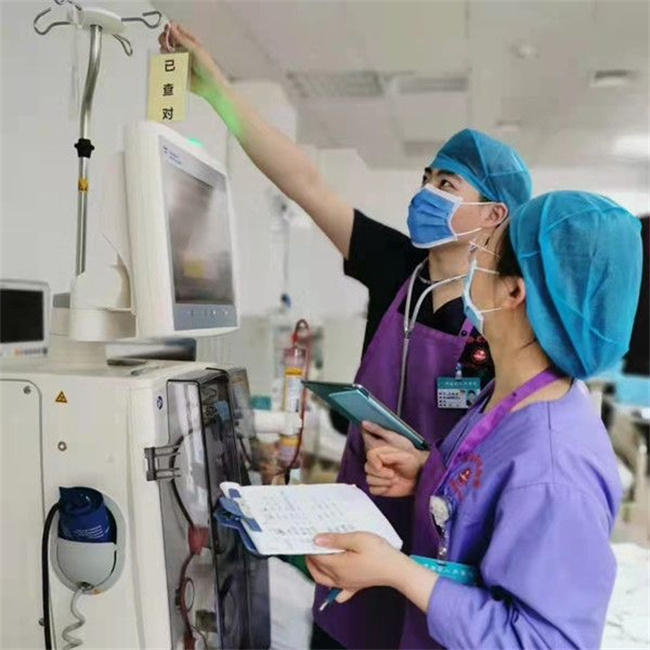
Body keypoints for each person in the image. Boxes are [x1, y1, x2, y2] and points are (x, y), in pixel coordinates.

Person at [159, 23, 531, 648]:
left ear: (493, 214)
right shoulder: (395, 267)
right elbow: (304, 182)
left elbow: (512, 449)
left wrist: (428, 469)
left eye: (446, 185)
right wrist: (216, 89)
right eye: (427, 177)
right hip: (353, 523)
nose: (426, 193)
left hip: (441, 543)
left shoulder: (506, 311)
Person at [306, 191, 643, 649]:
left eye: (483, 248)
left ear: (514, 291)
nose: (471, 259)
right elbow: (486, 496)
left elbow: (543, 641)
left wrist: (398, 571)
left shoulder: (554, 468)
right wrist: (427, 473)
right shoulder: (509, 395)